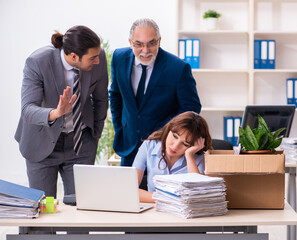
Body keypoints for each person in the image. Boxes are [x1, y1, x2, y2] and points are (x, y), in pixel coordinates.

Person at [14, 25, 109, 199]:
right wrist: (56, 113)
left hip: (81, 144)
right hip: (41, 142)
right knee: (41, 212)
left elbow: (102, 98)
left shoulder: (98, 57)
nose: (97, 61)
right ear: (73, 56)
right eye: (92, 58)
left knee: (81, 209)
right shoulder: (37, 62)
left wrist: (96, 133)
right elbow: (27, 110)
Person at [109, 18, 201, 168]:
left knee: (158, 191)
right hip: (129, 146)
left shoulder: (178, 68)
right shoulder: (119, 58)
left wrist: (168, 137)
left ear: (159, 41)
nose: (145, 51)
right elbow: (115, 96)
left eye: (151, 43)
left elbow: (191, 109)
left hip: (162, 150)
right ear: (130, 42)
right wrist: (120, 128)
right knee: (129, 191)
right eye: (139, 44)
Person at [132, 111, 212, 203]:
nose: (175, 146)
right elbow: (131, 189)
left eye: (185, 144)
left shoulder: (198, 158)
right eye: (175, 136)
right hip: (154, 209)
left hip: (184, 213)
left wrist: (189, 156)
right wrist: (167, 198)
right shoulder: (148, 146)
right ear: (169, 128)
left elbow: (199, 194)